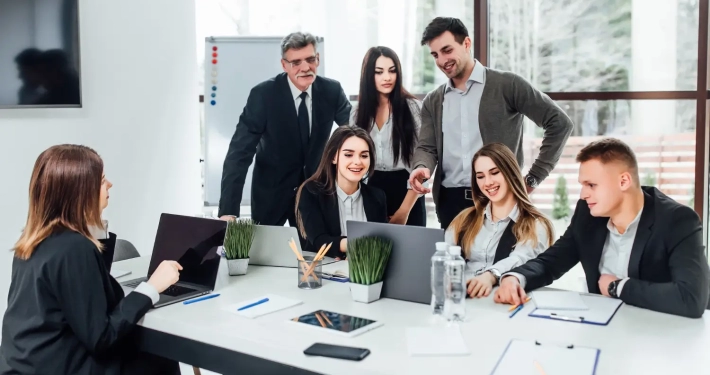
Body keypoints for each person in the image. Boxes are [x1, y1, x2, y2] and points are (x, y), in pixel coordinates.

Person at [0, 145, 183, 375]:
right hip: (61, 366)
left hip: (28, 364)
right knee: (161, 358)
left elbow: (89, 294)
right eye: (102, 179)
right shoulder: (73, 248)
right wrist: (151, 288)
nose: (109, 185)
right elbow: (102, 337)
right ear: (81, 191)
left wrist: (91, 225)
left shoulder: (34, 241)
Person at [494, 138, 710, 318]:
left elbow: (691, 298)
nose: (583, 195)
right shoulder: (587, 215)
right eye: (582, 185)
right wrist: (515, 278)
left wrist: (619, 287)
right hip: (603, 328)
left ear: (624, 181)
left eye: (591, 185)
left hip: (663, 339)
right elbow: (552, 262)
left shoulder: (678, 221)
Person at [408, 17, 574, 230]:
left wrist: (533, 179)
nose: (441, 61)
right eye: (435, 55)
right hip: (451, 204)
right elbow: (427, 147)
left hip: (499, 197)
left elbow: (559, 123)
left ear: (466, 44)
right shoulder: (433, 100)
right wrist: (421, 167)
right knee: (454, 263)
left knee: (502, 263)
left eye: (447, 50)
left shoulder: (507, 85)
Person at [219, 32, 352, 234]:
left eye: (310, 59)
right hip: (271, 194)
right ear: (284, 65)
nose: (305, 67)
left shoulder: (332, 91)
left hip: (314, 192)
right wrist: (228, 210)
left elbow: (354, 135)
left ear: (318, 59)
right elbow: (239, 153)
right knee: (264, 258)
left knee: (315, 258)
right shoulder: (263, 95)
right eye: (296, 62)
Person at [446, 143, 554, 298]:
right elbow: (444, 259)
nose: (487, 182)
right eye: (480, 176)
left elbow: (520, 259)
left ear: (510, 172)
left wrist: (489, 276)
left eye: (494, 173)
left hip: (501, 301)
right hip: (461, 300)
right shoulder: (464, 219)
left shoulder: (535, 224)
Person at [351, 46, 426, 226]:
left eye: (392, 71)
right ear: (369, 75)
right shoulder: (357, 112)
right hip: (372, 190)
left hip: (408, 192)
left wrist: (403, 212)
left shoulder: (413, 108)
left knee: (411, 251)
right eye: (379, 72)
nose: (387, 77)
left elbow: (421, 163)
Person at [295, 126, 387, 259]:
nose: (357, 162)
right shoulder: (311, 192)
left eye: (364, 155)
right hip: (323, 274)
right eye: (348, 154)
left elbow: (382, 243)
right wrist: (359, 244)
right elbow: (319, 241)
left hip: (366, 277)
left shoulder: (377, 197)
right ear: (333, 157)